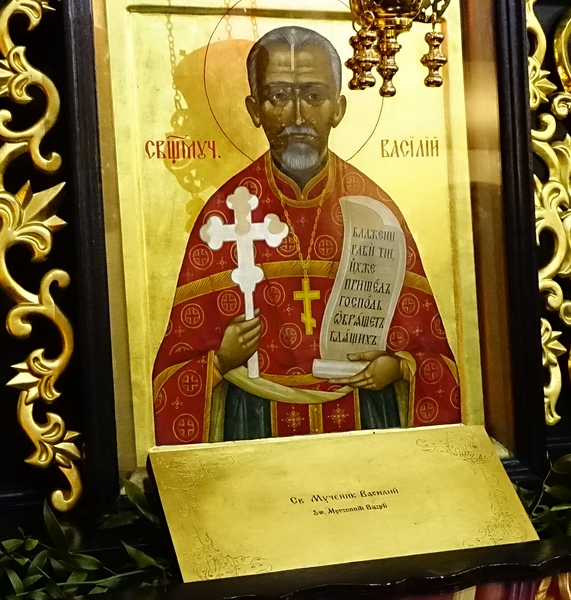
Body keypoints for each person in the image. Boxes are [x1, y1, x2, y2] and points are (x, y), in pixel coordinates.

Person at [150, 25, 461, 446]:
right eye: (279, 96)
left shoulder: (375, 210)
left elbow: (432, 355)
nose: (297, 116)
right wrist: (220, 360)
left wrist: (398, 366)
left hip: (364, 426)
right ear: (255, 109)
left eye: (313, 96)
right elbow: (172, 370)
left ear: (338, 108)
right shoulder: (225, 214)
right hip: (255, 430)